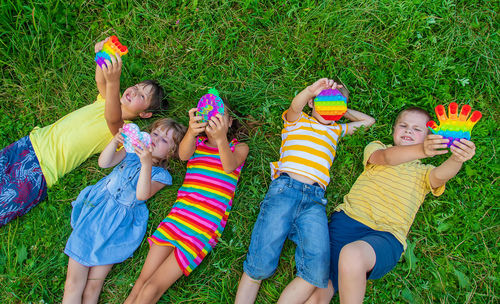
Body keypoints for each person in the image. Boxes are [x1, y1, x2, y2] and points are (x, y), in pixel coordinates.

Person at [305, 106, 477, 304]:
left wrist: (457, 159)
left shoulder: (425, 172)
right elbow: (385, 158)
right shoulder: (377, 148)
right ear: (394, 130)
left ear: (429, 136)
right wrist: (421, 150)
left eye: (417, 129)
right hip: (347, 222)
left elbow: (441, 175)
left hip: (386, 235)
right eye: (403, 126)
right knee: (321, 288)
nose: (409, 131)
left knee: (352, 255)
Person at [235, 79, 375, 304]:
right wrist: (310, 91)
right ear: (311, 102)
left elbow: (369, 121)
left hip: (315, 201)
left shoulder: (337, 130)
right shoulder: (297, 120)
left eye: (336, 104)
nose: (330, 106)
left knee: (317, 272)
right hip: (285, 189)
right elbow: (295, 106)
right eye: (324, 100)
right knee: (259, 263)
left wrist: (341, 108)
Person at [0, 36, 165, 227]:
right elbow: (101, 81)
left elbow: (112, 117)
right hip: (31, 143)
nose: (134, 91)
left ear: (145, 114)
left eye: (142, 95)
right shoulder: (106, 99)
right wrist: (103, 56)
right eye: (136, 87)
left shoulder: (125, 130)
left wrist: (114, 82)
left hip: (43, 171)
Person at [124, 101, 249, 304]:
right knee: (141, 284)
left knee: (151, 290)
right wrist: (191, 131)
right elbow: (183, 155)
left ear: (230, 121)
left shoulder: (238, 148)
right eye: (207, 116)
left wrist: (219, 139)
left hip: (201, 229)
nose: (213, 120)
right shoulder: (197, 146)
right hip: (177, 218)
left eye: (220, 116)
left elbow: (228, 166)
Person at [62, 118, 187, 304]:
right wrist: (115, 142)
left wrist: (146, 164)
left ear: (170, 154)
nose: (156, 139)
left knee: (93, 286)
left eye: (164, 140)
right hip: (96, 214)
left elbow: (142, 195)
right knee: (73, 283)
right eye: (155, 134)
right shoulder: (130, 154)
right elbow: (104, 163)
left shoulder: (161, 175)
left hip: (118, 228)